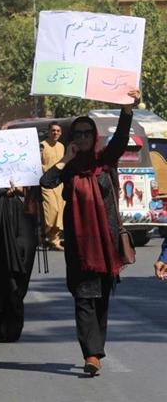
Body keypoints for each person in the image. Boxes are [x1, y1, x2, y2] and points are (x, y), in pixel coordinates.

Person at [40, 89, 140, 377]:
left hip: (106, 242)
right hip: (80, 245)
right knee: (84, 297)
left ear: (93, 135)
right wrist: (64, 160)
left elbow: (121, 139)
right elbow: (46, 182)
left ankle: (96, 348)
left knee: (101, 299)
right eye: (78, 133)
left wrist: (127, 111)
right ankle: (91, 354)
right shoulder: (69, 167)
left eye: (87, 133)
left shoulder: (105, 160)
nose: (83, 137)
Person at [0, 182, 39, 348]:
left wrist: (23, 189)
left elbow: (40, 186)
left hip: (23, 218)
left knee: (19, 272)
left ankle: (9, 325)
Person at [41, 121, 66, 251]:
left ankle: (54, 240)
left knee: (59, 213)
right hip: (46, 183)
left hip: (59, 184)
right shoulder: (43, 146)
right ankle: (44, 235)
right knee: (52, 210)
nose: (55, 133)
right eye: (53, 130)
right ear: (49, 132)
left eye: (58, 131)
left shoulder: (61, 146)